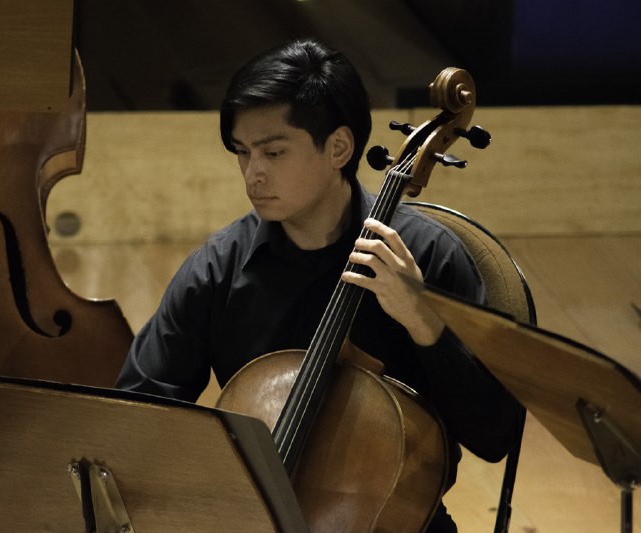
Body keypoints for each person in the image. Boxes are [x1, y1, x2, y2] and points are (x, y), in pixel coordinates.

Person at [116, 38, 521, 532]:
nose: (252, 174)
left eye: (273, 152)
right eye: (242, 153)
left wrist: (422, 319)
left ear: (339, 148)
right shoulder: (217, 269)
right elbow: (138, 416)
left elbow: (494, 434)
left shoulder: (426, 256)